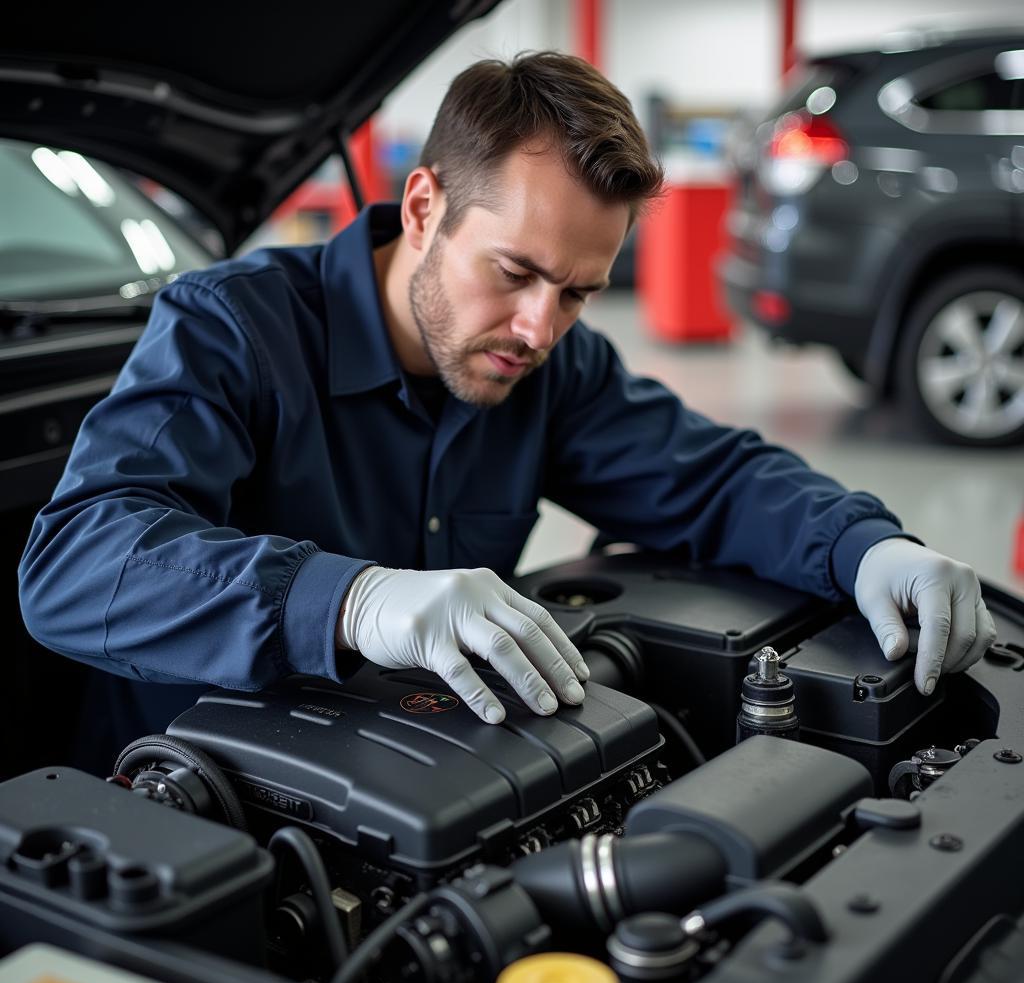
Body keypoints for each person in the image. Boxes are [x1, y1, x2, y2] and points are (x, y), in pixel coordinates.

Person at [19, 52, 996, 755]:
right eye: (516, 271)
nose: (539, 328)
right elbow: (75, 562)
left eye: (576, 291)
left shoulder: (546, 369)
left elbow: (715, 479)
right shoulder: (231, 328)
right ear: (421, 208)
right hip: (187, 800)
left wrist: (870, 547)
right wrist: (353, 600)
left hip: (432, 784)